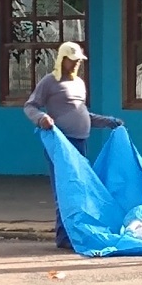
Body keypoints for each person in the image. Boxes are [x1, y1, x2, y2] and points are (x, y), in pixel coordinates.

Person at [23, 41, 123, 250]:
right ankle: (64, 236)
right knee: (65, 188)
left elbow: (83, 114)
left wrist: (108, 122)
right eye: (72, 60)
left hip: (80, 142)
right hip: (61, 144)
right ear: (62, 59)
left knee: (80, 189)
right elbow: (30, 106)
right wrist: (41, 118)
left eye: (78, 61)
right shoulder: (50, 82)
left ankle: (76, 232)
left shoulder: (79, 83)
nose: (76, 64)